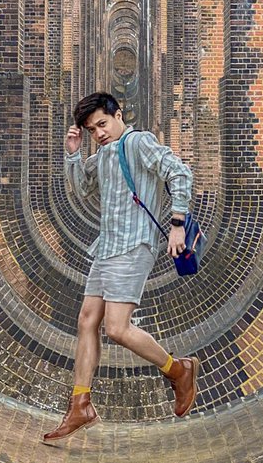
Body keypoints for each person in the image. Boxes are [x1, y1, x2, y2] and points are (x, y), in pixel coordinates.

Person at [42, 91, 200, 444]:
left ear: (118, 115)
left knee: (116, 328)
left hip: (133, 247)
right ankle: (80, 404)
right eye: (91, 129)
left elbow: (180, 172)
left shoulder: (138, 142)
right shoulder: (102, 154)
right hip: (107, 247)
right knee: (86, 320)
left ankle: (179, 370)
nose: (98, 133)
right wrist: (73, 154)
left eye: (102, 123)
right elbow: (83, 189)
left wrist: (177, 222)